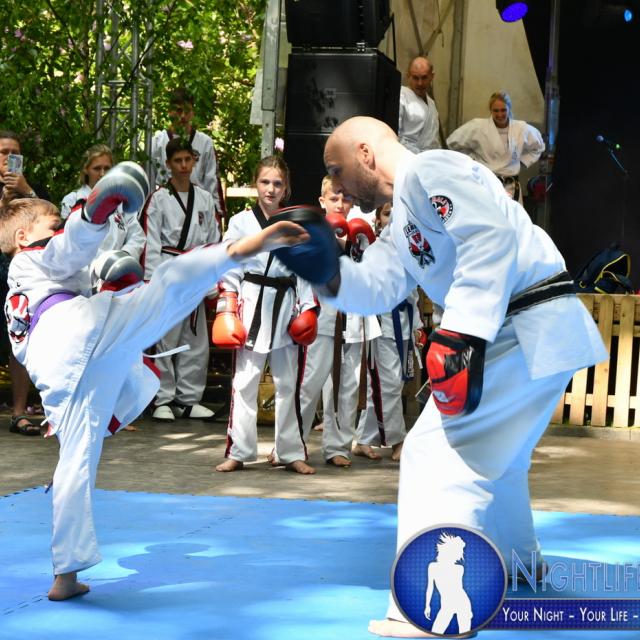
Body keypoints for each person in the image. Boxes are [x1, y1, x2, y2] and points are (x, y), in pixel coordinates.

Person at [280, 115, 606, 637]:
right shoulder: (401, 221)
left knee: (436, 454)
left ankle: (430, 612)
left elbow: (489, 237)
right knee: (501, 461)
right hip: (527, 331)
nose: (337, 185)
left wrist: (461, 334)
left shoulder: (433, 169)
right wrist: (327, 272)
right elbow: (378, 287)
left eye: (336, 169)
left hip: (520, 325)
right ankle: (520, 563)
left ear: (366, 153)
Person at [0, 166, 308, 602]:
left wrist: (108, 282)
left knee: (75, 462)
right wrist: (93, 213)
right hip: (77, 333)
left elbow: (67, 272)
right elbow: (68, 248)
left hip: (59, 372)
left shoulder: (18, 288)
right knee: (166, 288)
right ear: (23, 237)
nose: (58, 229)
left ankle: (65, 574)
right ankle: (240, 249)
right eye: (53, 224)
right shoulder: (37, 256)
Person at [214, 156, 317, 475]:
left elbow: (306, 271)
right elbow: (229, 264)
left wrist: (308, 308)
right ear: (255, 184)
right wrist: (228, 305)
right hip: (251, 302)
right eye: (265, 182)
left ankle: (291, 452)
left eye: (277, 183)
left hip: (286, 304)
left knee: (288, 383)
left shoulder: (296, 224)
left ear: (286, 188)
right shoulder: (240, 223)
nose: (271, 189)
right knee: (245, 381)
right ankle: (239, 451)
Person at [298, 175, 381, 467]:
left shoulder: (361, 235)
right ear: (322, 201)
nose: (340, 203)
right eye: (334, 198)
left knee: (348, 387)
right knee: (309, 384)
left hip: (354, 319)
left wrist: (365, 247)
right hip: (322, 319)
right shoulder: (311, 232)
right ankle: (291, 445)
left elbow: (374, 276)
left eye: (346, 198)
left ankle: (338, 447)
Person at [142, 137, 220, 421]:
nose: (184, 165)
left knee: (195, 338)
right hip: (169, 270)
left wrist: (213, 279)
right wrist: (152, 281)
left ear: (194, 161)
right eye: (178, 161)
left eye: (188, 159)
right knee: (166, 337)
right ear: (168, 164)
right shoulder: (159, 199)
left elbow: (213, 241)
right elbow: (150, 242)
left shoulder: (205, 198)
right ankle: (162, 398)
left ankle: (188, 399)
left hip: (196, 270)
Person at [353, 202, 422, 462]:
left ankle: (363, 440)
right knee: (389, 385)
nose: (392, 217)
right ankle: (398, 440)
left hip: (404, 322)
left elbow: (414, 295)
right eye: (386, 213)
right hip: (381, 324)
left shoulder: (411, 249)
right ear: (378, 220)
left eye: (396, 212)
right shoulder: (373, 251)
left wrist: (417, 327)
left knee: (387, 385)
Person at [0, 130, 48, 435]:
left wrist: (25, 191)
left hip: (21, 275)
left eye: (14, 153)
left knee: (19, 339)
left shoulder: (32, 189)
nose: (9, 158)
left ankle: (19, 413)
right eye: (4, 152)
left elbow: (49, 221)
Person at [60, 143, 145, 289]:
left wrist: (122, 257)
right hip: (85, 278)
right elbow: (70, 240)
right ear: (86, 170)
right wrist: (104, 261)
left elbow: (138, 236)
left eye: (107, 168)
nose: (102, 173)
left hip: (119, 273)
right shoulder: (72, 200)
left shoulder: (122, 202)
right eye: (97, 168)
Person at [446, 91, 545, 203]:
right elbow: (451, 143)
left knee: (509, 214)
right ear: (490, 110)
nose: (500, 114)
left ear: (509, 109)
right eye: (496, 111)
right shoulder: (477, 127)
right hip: (485, 184)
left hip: (511, 186)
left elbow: (539, 146)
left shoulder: (521, 128)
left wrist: (522, 162)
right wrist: (472, 160)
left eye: (503, 110)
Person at [151, 88, 223, 218]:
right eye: (179, 110)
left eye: (187, 110)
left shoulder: (205, 142)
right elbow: (150, 179)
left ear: (193, 112)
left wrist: (216, 211)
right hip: (165, 207)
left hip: (198, 207)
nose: (183, 116)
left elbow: (212, 180)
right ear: (170, 111)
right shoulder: (157, 142)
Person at [398, 56, 442, 154]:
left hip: (431, 157)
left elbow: (434, 140)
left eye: (424, 77)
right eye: (415, 78)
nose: (420, 83)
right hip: (408, 156)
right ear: (408, 76)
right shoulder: (401, 96)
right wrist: (419, 156)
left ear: (432, 76)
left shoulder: (432, 103)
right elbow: (395, 135)